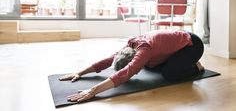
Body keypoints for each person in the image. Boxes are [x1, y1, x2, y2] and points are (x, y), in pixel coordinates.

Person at [59, 30, 205, 103]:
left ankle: (195, 66)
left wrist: (92, 91)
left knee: (169, 74)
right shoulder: (130, 44)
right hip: (175, 43)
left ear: (135, 58)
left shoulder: (145, 50)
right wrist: (79, 72)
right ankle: (177, 61)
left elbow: (125, 73)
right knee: (151, 66)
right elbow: (108, 61)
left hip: (192, 44)